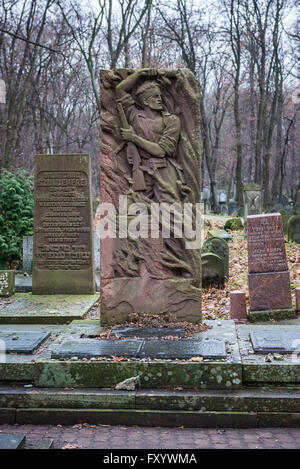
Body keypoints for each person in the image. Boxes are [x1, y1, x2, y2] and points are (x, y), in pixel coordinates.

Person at [116, 69, 184, 203]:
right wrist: (140, 74)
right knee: (135, 211)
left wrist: (133, 138)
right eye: (156, 97)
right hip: (142, 171)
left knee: (169, 211)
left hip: (164, 171)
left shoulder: (172, 121)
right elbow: (119, 90)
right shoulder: (134, 117)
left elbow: (161, 151)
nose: (160, 99)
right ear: (146, 102)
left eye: (160, 96)